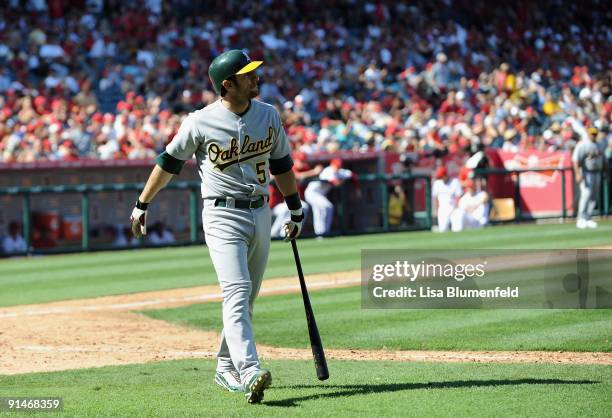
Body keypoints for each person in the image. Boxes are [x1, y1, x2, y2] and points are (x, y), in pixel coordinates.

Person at [129, 50, 303, 404]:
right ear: (228, 84)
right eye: (248, 75)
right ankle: (250, 368)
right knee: (237, 291)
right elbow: (168, 163)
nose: (256, 78)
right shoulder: (199, 121)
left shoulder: (268, 115)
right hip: (222, 215)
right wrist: (142, 204)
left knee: (247, 297)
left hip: (260, 211)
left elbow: (282, 164)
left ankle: (225, 367)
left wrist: (295, 210)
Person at [270, 152, 322, 238]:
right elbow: (295, 176)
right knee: (287, 209)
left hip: (282, 204)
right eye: (300, 161)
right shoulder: (287, 169)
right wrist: (313, 172)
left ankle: (289, 232)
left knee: (302, 206)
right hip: (271, 205)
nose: (302, 163)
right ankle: (274, 234)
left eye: (304, 161)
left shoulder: (304, 168)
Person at [304, 158, 353, 237]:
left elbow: (351, 174)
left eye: (338, 166)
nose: (337, 168)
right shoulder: (328, 171)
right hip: (312, 193)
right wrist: (343, 180)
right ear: (332, 165)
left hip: (320, 194)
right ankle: (322, 232)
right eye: (336, 166)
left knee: (322, 210)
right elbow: (336, 183)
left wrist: (347, 178)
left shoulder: (339, 171)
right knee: (326, 207)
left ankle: (323, 233)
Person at [573, 127, 605, 229]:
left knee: (594, 195)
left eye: (595, 134)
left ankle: (588, 217)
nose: (593, 135)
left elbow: (602, 158)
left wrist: (606, 170)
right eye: (592, 134)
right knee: (586, 194)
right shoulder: (583, 144)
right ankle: (580, 218)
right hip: (586, 172)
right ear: (587, 133)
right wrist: (578, 173)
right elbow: (576, 160)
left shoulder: (599, 144)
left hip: (597, 172)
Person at [431, 166, 462, 232]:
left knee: (457, 229)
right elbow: (435, 199)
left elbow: (458, 197)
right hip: (442, 209)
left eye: (442, 176)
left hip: (454, 208)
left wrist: (456, 207)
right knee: (442, 229)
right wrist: (436, 210)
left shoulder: (455, 182)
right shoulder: (437, 183)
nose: (441, 178)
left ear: (446, 175)